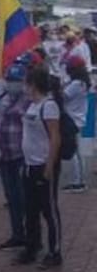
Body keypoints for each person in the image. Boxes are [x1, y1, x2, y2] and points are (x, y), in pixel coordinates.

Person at [15, 66, 63, 268]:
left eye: (26, 83)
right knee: (31, 209)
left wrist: (49, 167)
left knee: (49, 211)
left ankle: (55, 252)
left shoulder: (48, 105)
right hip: (29, 164)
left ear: (33, 85)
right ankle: (32, 246)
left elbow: (55, 138)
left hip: (44, 164)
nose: (24, 87)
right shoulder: (31, 105)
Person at [0, 62, 32, 252]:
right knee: (11, 198)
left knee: (23, 197)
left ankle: (30, 234)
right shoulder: (2, 98)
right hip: (3, 155)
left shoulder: (30, 100)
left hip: (21, 156)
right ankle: (17, 234)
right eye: (10, 80)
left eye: (16, 81)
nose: (13, 84)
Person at [61, 56, 89, 194]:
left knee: (73, 153)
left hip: (73, 120)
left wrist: (57, 87)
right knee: (77, 152)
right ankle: (79, 181)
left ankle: (77, 182)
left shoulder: (77, 84)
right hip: (76, 119)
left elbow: (62, 96)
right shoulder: (81, 83)